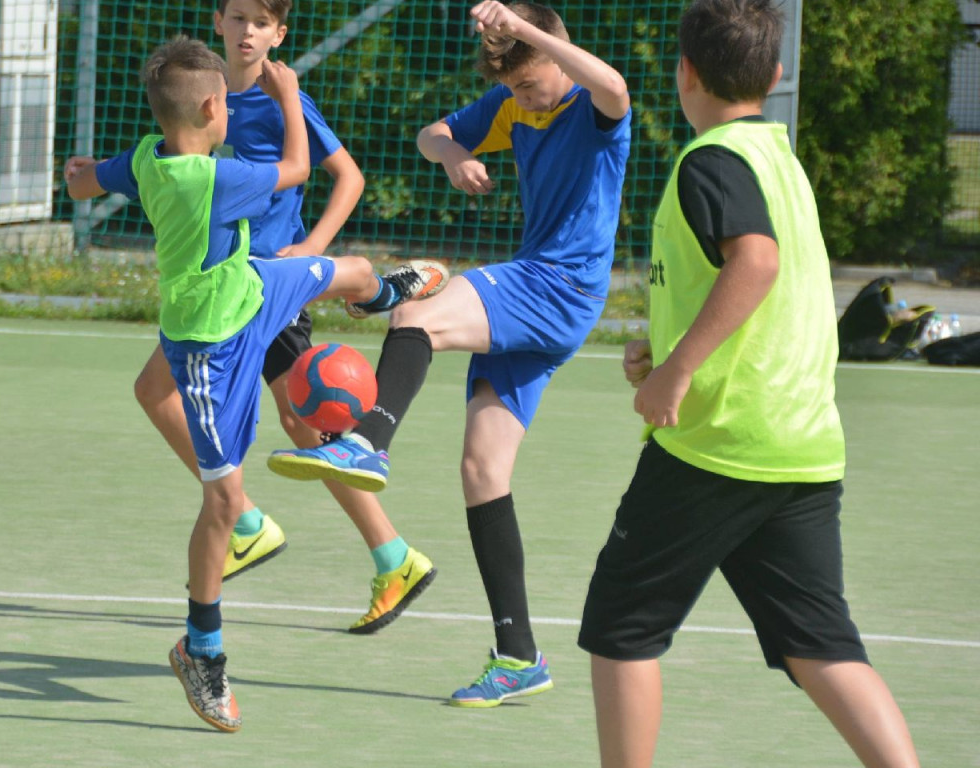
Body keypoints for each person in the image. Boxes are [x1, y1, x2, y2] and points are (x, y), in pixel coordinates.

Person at [575, 1, 921, 766]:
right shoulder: (778, 157)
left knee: (621, 627)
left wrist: (681, 369)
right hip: (800, 442)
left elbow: (756, 264)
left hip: (718, 442)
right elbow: (761, 288)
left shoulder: (713, 160)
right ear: (776, 73)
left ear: (684, 72)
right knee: (819, 644)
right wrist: (663, 350)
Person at [65, 37, 445, 731]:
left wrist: (84, 174)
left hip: (251, 285)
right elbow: (299, 166)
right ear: (215, 108)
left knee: (345, 270)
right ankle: (200, 648)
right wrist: (289, 97)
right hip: (210, 345)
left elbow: (87, 181)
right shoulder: (210, 178)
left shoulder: (151, 159)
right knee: (221, 503)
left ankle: (379, 293)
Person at [268, 0, 631, 707]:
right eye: (514, 89)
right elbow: (429, 134)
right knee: (482, 469)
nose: (522, 101)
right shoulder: (512, 105)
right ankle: (517, 655)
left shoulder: (592, 106)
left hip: (557, 284)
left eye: (530, 83)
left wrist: (527, 34)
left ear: (555, 54)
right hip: (541, 288)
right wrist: (458, 152)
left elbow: (617, 88)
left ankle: (368, 441)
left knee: (417, 313)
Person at [126, 0, 441, 635]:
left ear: (279, 34)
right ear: (218, 22)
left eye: (261, 23)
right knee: (157, 391)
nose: (247, 32)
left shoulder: (281, 100)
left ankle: (386, 554)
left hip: (265, 286)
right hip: (222, 290)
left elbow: (344, 176)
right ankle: (249, 521)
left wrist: (316, 243)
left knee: (301, 418)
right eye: (238, 17)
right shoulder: (198, 99)